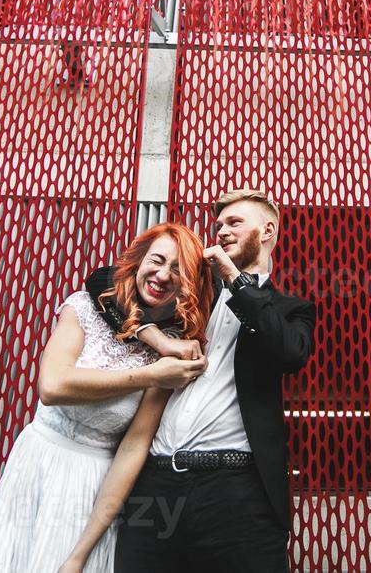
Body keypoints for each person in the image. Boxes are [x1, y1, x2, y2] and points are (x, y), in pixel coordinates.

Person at [83, 189, 317, 573]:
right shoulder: (189, 287)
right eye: (219, 224)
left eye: (234, 223)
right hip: (155, 484)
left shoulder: (292, 310)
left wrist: (235, 279)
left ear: (268, 230)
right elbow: (103, 279)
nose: (221, 231)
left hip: (239, 490)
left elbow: (290, 353)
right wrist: (155, 337)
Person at [0, 222, 212, 573]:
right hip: (36, 462)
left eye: (178, 269)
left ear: (189, 286)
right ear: (139, 261)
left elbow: (133, 448)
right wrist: (150, 374)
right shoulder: (84, 308)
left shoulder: (172, 355)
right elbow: (52, 387)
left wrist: (80, 552)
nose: (162, 275)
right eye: (157, 260)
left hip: (93, 486)